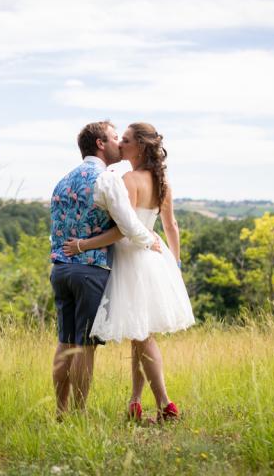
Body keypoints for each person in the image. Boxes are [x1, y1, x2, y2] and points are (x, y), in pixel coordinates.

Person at [63, 122, 194, 423]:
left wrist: (83, 244)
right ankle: (135, 402)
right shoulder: (162, 183)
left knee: (143, 336)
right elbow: (171, 227)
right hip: (156, 258)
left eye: (126, 139)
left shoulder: (129, 179)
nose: (120, 143)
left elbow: (123, 231)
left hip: (134, 261)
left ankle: (166, 404)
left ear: (139, 146)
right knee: (139, 333)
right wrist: (175, 265)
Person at [49, 120, 161, 419]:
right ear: (100, 143)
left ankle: (61, 412)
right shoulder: (106, 179)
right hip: (90, 270)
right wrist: (149, 239)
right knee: (85, 346)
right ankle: (79, 413)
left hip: (60, 269)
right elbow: (127, 225)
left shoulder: (63, 180)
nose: (118, 143)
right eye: (114, 137)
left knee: (65, 342)